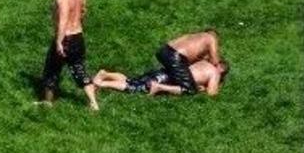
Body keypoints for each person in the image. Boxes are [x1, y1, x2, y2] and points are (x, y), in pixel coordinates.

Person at [39, 0, 98, 110]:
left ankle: (47, 102)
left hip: (65, 38)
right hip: (78, 36)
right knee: (79, 69)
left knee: (51, 70)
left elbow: (63, 20)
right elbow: (83, 10)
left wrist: (59, 42)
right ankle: (93, 103)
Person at [94, 59, 227, 97]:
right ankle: (102, 83)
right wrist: (204, 88)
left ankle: (105, 74)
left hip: (165, 72)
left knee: (132, 80)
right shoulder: (215, 73)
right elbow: (212, 94)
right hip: (165, 80)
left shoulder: (203, 62)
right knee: (133, 87)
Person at [153, 30, 225, 96]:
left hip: (164, 50)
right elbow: (215, 61)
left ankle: (149, 80)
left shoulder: (194, 36)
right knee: (190, 90)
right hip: (175, 56)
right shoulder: (211, 38)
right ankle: (158, 87)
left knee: (175, 75)